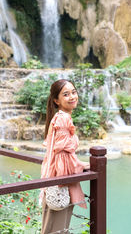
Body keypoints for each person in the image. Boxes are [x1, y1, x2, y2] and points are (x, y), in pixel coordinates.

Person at [40, 79, 90, 234]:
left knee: (53, 227)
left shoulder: (61, 117)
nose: (72, 97)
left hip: (56, 175)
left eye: (74, 92)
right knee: (57, 228)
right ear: (57, 100)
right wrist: (81, 165)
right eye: (66, 94)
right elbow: (61, 154)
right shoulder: (62, 119)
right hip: (60, 180)